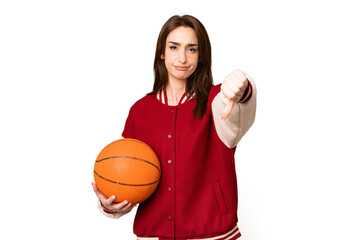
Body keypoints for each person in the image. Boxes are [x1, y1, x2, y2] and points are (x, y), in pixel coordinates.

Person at [92, 14, 256, 240]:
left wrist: (243, 86)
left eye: (192, 49)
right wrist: (111, 204)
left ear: (201, 56)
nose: (182, 58)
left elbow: (242, 104)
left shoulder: (217, 101)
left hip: (213, 235)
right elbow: (130, 176)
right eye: (174, 47)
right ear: (162, 52)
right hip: (153, 235)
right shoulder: (140, 111)